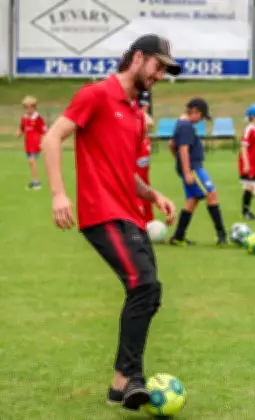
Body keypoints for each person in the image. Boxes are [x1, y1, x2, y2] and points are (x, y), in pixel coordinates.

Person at [41, 33, 179, 410]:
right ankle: (132, 377)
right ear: (138, 58)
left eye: (165, 70)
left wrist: (153, 194)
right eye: (158, 66)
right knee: (143, 284)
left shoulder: (136, 115)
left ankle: (120, 386)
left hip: (130, 214)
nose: (160, 75)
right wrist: (58, 193)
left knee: (150, 293)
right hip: (101, 213)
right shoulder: (95, 94)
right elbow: (52, 138)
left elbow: (126, 173)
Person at [168, 98, 228, 246]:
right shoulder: (186, 126)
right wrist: (187, 171)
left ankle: (178, 237)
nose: (201, 120)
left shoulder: (180, 123)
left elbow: (171, 144)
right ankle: (222, 235)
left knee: (192, 200)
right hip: (194, 168)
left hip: (190, 167)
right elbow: (183, 148)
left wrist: (179, 164)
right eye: (201, 116)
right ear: (195, 111)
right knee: (212, 195)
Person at [16, 95, 47, 190]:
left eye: (29, 107)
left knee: (32, 161)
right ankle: (34, 181)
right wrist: (19, 132)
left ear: (34, 107)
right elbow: (22, 128)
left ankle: (36, 183)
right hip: (28, 145)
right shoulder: (24, 118)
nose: (27, 109)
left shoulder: (38, 118)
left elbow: (44, 131)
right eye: (25, 107)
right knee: (31, 163)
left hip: (35, 144)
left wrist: (44, 142)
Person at [136, 97, 155, 224]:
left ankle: (148, 228)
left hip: (145, 181)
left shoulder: (147, 140)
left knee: (148, 206)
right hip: (133, 183)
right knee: (137, 209)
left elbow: (150, 122)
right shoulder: (132, 141)